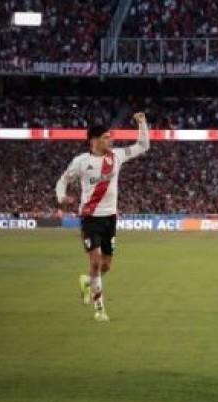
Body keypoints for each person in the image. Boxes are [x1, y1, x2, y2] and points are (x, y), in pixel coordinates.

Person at [55, 113, 149, 322]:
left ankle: (87, 281)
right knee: (96, 262)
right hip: (90, 218)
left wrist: (142, 123)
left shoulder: (116, 156)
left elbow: (143, 146)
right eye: (107, 137)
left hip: (110, 218)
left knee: (106, 266)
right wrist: (62, 197)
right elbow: (62, 181)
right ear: (95, 141)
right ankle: (99, 309)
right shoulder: (81, 162)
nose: (111, 140)